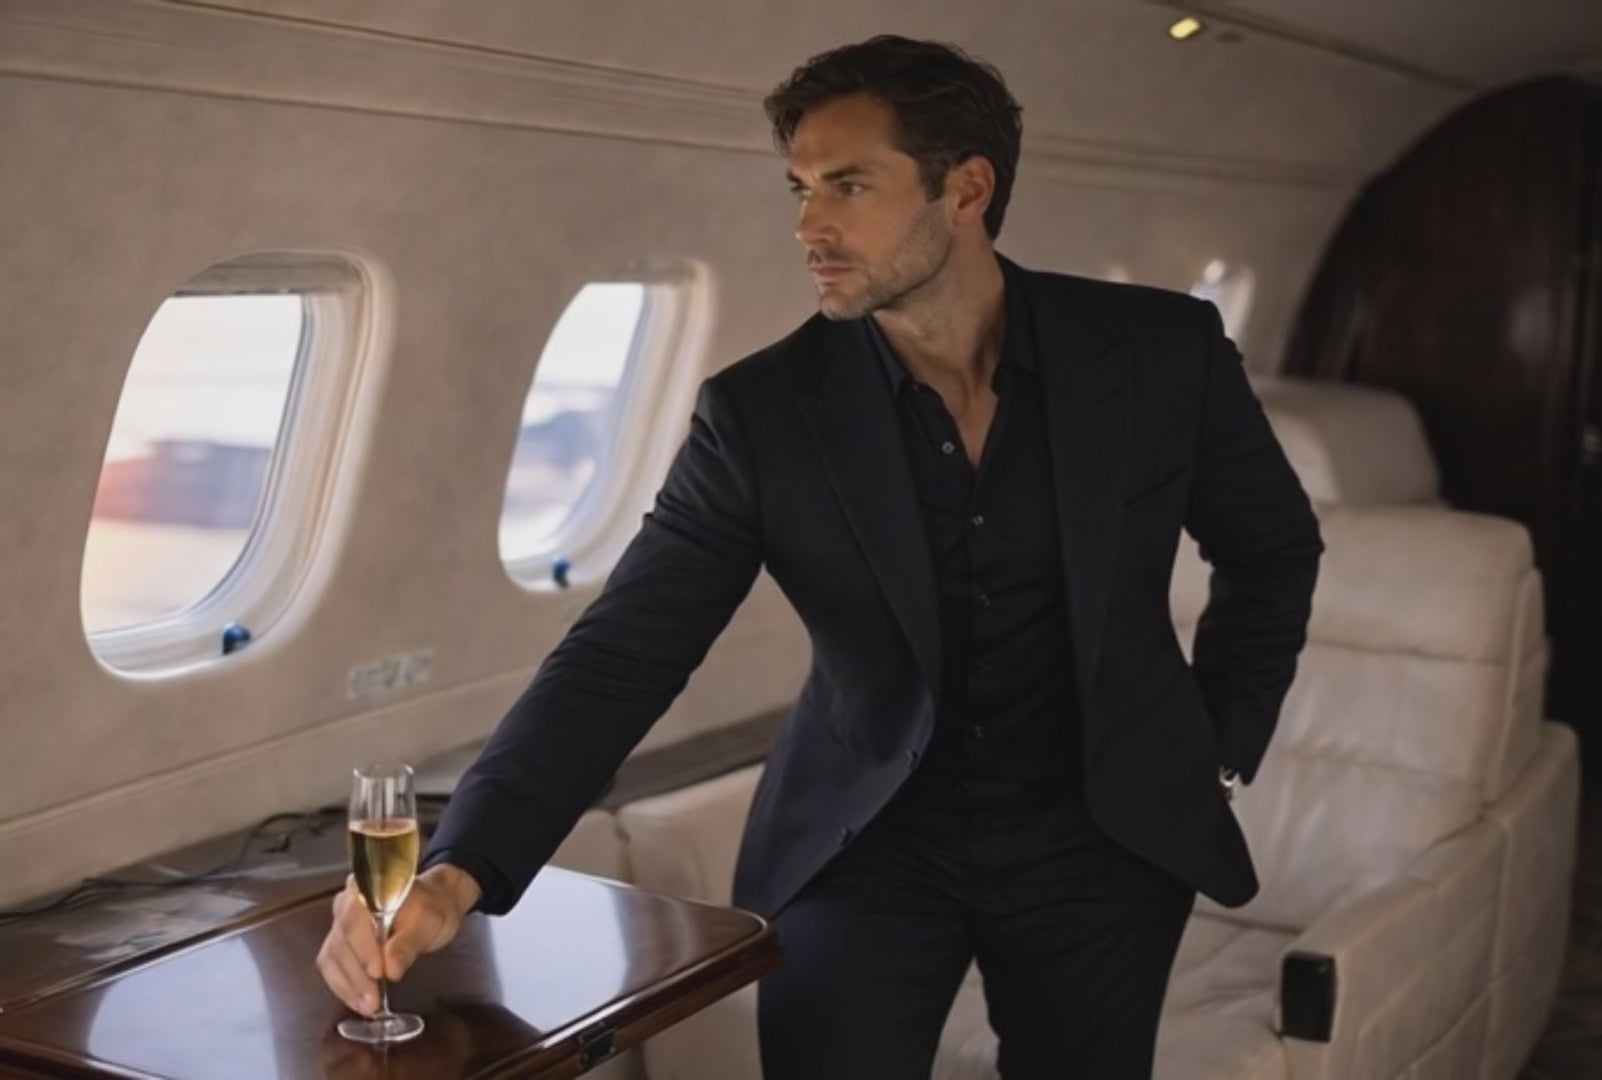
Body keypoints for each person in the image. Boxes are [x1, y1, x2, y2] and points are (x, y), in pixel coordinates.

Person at [317, 34, 1323, 1078]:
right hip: (864, 845)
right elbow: (621, 652)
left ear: (966, 189)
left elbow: (1273, 550)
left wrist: (1216, 752)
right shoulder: (760, 418)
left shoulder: (1161, 354)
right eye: (800, 189)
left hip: (1103, 840)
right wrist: (458, 870)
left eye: (848, 185)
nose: (809, 227)